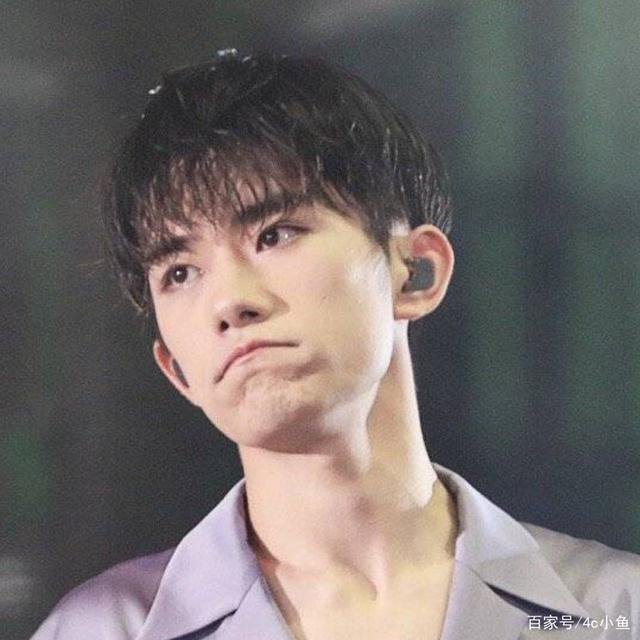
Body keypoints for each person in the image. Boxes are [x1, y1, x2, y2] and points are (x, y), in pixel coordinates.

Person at [33, 50, 639, 640]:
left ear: (414, 271)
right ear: (176, 370)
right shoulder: (103, 629)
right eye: (180, 272)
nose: (229, 302)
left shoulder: (615, 611)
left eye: (274, 234)